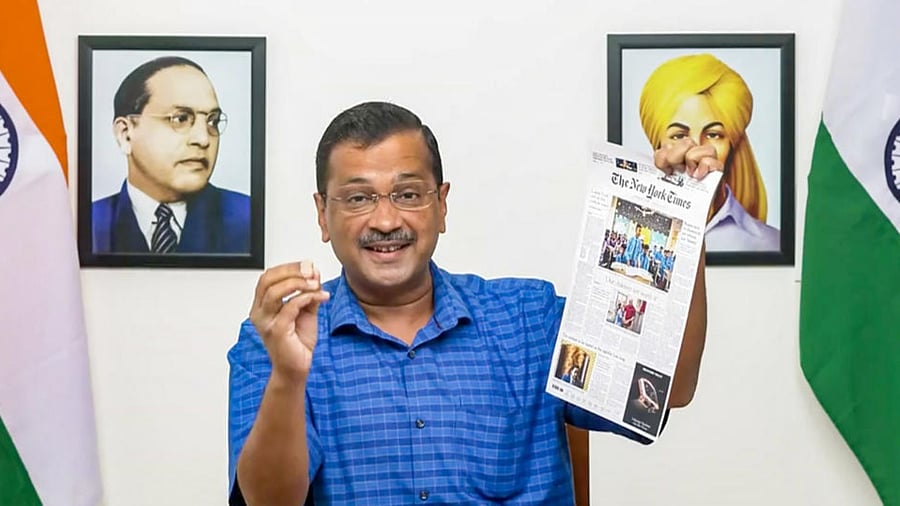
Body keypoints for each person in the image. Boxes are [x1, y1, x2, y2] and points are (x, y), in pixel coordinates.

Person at [227, 101, 715, 505]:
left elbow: (669, 387)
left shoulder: (528, 319)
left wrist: (683, 219)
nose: (384, 219)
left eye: (408, 193)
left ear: (441, 205)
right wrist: (289, 378)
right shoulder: (276, 340)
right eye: (358, 199)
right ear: (323, 214)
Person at [92, 56, 250, 254]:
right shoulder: (88, 225)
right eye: (180, 118)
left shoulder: (248, 220)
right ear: (126, 134)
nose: (203, 139)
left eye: (213, 121)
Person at [639, 53, 779, 252]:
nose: (695, 150)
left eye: (713, 134)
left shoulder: (770, 242)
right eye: (678, 136)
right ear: (658, 144)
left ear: (731, 144)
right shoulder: (639, 233)